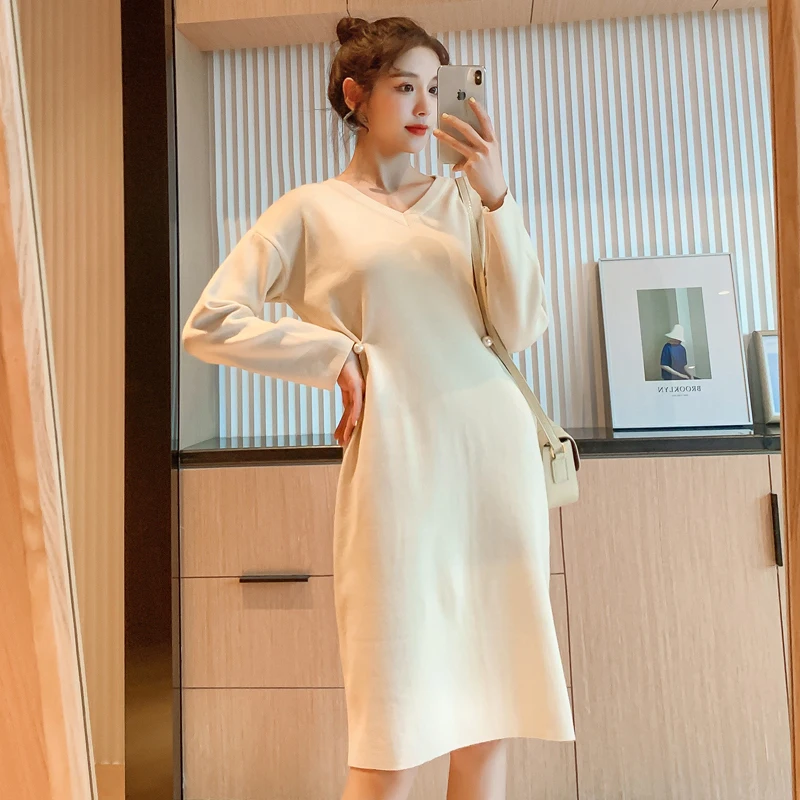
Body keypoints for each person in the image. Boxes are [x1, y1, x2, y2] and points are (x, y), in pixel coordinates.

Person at [182, 15, 575, 800]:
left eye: (435, 87)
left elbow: (522, 324)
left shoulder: (465, 200)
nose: (426, 106)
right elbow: (210, 322)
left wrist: (498, 199)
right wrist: (331, 354)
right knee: (390, 724)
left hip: (492, 459)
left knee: (487, 717)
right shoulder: (308, 210)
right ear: (355, 95)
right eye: (404, 87)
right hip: (397, 465)